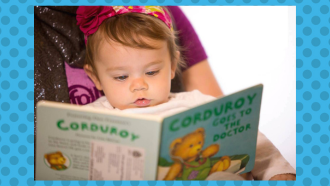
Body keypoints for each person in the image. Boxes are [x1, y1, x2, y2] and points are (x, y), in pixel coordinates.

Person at [76, 6, 296, 180]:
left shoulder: (197, 104)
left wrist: (277, 171)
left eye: (152, 71)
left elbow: (250, 140)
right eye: (121, 77)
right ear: (95, 77)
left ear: (172, 66)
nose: (139, 85)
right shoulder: (88, 119)